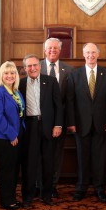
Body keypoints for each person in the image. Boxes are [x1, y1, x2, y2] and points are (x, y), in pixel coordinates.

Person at [67, 43, 106, 203]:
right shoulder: (75, 74)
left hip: (101, 124)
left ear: (98, 54)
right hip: (80, 124)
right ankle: (81, 188)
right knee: (82, 158)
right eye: (87, 52)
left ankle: (100, 188)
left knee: (100, 158)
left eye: (93, 52)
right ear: (83, 54)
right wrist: (71, 122)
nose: (90, 55)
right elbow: (70, 100)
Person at [19, 54, 63, 207]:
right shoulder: (20, 84)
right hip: (29, 127)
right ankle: (28, 197)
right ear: (25, 69)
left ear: (40, 66)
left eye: (35, 65)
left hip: (48, 126)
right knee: (29, 163)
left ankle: (47, 195)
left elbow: (58, 105)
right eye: (29, 66)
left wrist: (58, 125)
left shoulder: (50, 81)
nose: (33, 68)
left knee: (48, 162)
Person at [40, 38, 73, 198]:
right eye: (49, 48)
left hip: (60, 121)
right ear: (44, 50)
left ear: (60, 51)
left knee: (56, 155)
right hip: (39, 121)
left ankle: (52, 185)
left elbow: (71, 99)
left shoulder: (69, 70)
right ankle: (40, 185)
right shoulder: (35, 67)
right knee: (39, 153)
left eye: (55, 48)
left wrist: (64, 122)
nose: (52, 50)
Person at [0, 61, 25, 210]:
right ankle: (6, 200)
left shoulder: (16, 92)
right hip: (4, 137)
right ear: (1, 75)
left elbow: (20, 114)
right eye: (6, 73)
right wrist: (11, 135)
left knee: (14, 168)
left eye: (12, 73)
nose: (9, 76)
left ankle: (11, 197)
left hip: (17, 135)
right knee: (7, 168)